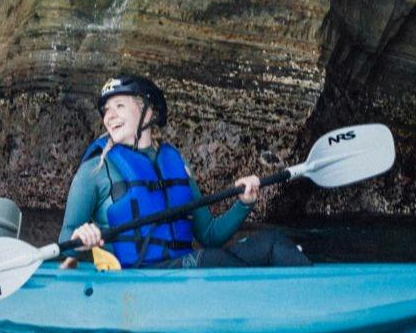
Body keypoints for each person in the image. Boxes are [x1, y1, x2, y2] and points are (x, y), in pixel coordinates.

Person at [63, 75, 304, 268]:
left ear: (147, 112)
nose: (109, 116)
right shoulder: (95, 171)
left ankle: (315, 294)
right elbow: (65, 239)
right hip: (137, 280)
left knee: (272, 241)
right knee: (209, 260)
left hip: (182, 272)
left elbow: (209, 235)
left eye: (119, 105)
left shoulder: (175, 164)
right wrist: (81, 239)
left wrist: (244, 203)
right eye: (106, 110)